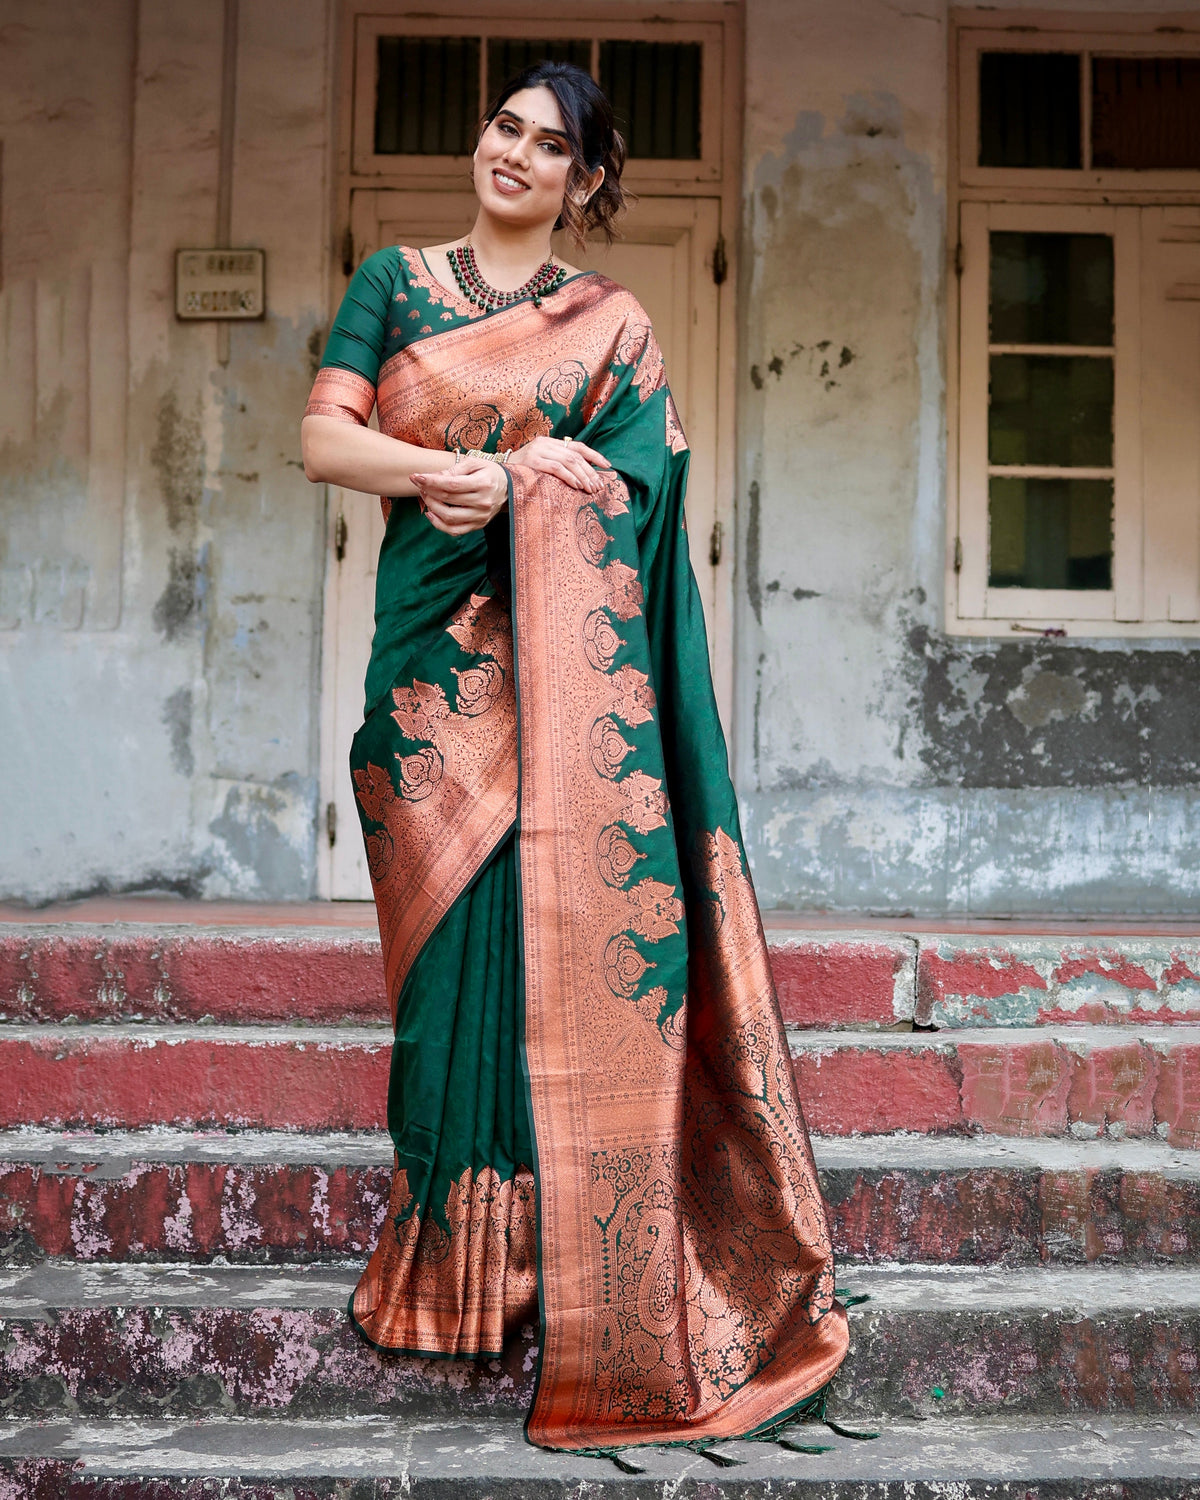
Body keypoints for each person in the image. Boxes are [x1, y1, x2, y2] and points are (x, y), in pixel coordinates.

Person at [301, 59, 849, 1457]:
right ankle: (449, 1278)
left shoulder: (613, 327)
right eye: (504, 128)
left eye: (548, 147)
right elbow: (324, 437)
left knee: (555, 953)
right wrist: (441, 476)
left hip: (565, 697)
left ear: (583, 183)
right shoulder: (394, 280)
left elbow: (647, 481)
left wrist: (534, 476)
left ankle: (572, 1274)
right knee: (441, 986)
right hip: (429, 679)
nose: (515, 154)